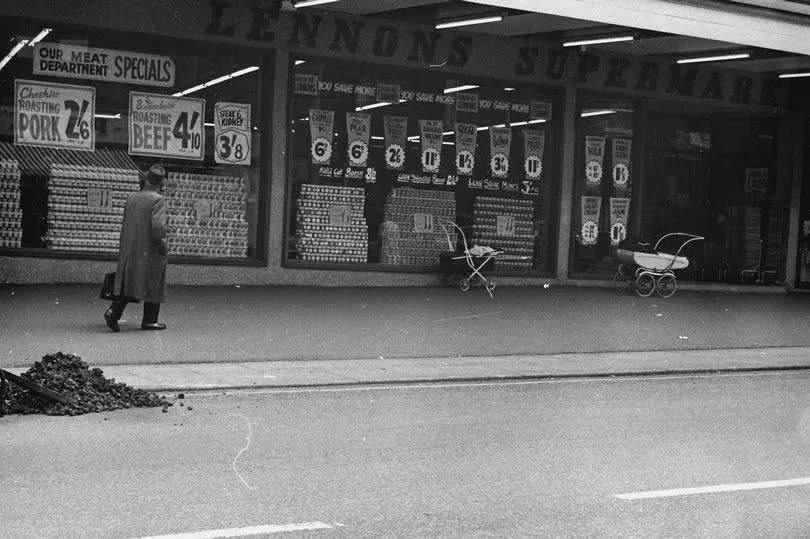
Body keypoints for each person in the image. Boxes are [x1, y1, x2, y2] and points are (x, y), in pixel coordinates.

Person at [104, 164, 169, 331]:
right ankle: (150, 320)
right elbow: (157, 229)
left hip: (130, 247)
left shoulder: (131, 197)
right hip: (150, 249)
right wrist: (164, 246)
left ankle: (113, 311)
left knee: (129, 281)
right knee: (154, 281)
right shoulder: (158, 199)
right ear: (161, 184)